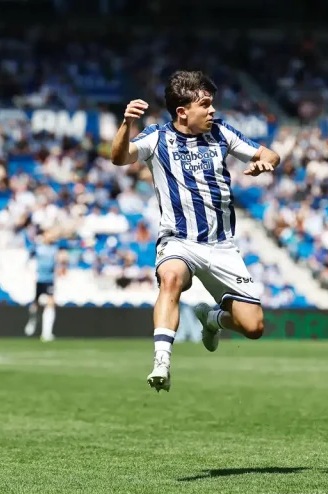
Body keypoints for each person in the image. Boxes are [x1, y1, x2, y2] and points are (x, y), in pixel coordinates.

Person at [112, 70, 281, 392]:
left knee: (254, 326)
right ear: (182, 111)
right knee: (172, 278)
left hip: (222, 247)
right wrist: (125, 124)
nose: (212, 110)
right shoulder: (156, 138)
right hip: (179, 240)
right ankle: (162, 360)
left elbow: (268, 152)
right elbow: (119, 158)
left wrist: (266, 162)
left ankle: (212, 318)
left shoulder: (221, 133)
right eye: (205, 104)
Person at [24, 229, 59, 342]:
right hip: (38, 279)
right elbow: (29, 259)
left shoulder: (54, 248)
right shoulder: (37, 247)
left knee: (50, 303)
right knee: (35, 304)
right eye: (50, 234)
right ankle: (32, 320)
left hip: (49, 279)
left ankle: (46, 332)